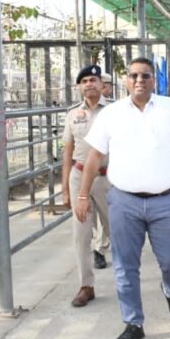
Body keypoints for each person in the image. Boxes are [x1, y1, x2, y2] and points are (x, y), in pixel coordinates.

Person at [75, 58, 170, 339]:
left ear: (154, 80)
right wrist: (82, 194)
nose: (139, 80)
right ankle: (133, 323)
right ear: (125, 80)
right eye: (134, 76)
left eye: (145, 75)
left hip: (166, 200)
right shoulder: (112, 114)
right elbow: (94, 155)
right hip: (124, 201)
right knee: (125, 266)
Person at [61, 64, 112, 307]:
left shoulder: (114, 111)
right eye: (84, 81)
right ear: (79, 87)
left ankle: (127, 279)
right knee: (81, 235)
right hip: (79, 176)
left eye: (93, 80)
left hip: (108, 178)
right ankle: (86, 285)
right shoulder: (73, 114)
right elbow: (67, 152)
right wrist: (64, 188)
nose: (89, 84)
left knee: (118, 231)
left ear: (102, 84)